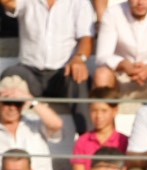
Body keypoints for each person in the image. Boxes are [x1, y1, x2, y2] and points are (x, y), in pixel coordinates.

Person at [0, 0, 93, 135]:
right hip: (29, 71)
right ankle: (5, 143)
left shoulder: (79, 3)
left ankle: (87, 143)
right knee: (9, 79)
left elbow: (87, 38)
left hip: (63, 73)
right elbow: (8, 2)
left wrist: (79, 58)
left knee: (79, 79)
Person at [93, 0, 147, 98]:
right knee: (102, 74)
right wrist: (123, 64)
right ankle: (104, 111)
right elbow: (102, 56)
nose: (140, 2)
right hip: (120, 76)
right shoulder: (112, 13)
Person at [0, 74, 62, 170]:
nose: (12, 107)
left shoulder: (36, 124)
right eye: (7, 102)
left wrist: (30, 100)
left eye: (18, 103)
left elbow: (56, 124)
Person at [70, 88, 130, 170]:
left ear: (115, 111)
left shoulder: (124, 141)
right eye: (94, 111)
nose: (98, 116)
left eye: (104, 111)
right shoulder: (82, 141)